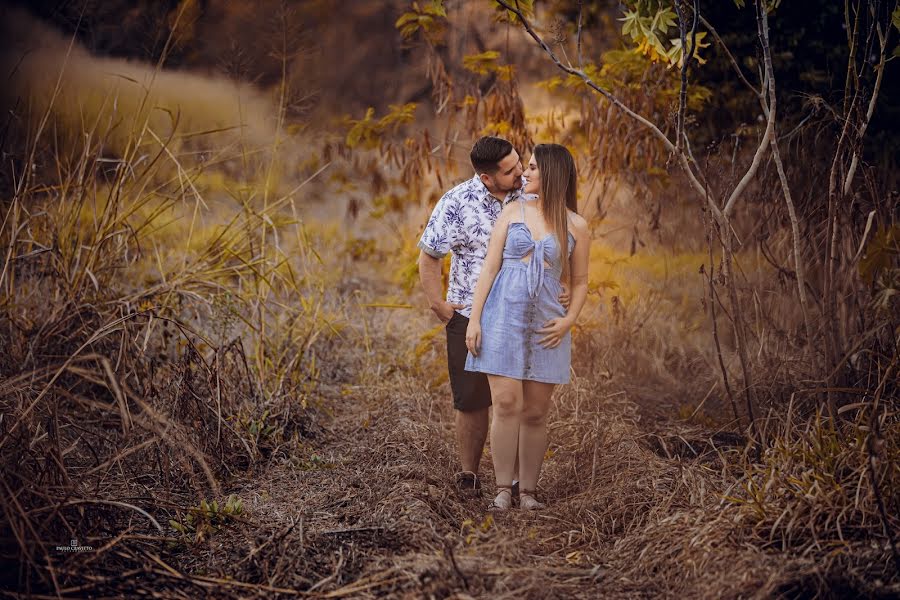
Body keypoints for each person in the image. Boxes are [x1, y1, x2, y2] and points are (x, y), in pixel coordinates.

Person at [417, 136, 569, 496]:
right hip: (471, 312)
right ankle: (469, 475)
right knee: (472, 401)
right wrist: (438, 305)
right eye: (509, 169)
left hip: (523, 315)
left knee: (515, 401)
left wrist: (561, 283)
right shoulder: (456, 203)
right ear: (486, 177)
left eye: (520, 163)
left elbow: (559, 241)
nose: (519, 171)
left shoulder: (531, 195)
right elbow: (429, 255)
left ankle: (516, 482)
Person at [464, 143, 590, 511]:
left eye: (533, 168)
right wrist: (474, 318)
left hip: (548, 323)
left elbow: (580, 281)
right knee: (506, 403)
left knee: (535, 411)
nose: (526, 174)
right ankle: (503, 488)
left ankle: (529, 492)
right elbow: (489, 268)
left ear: (551, 174)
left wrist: (569, 320)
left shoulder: (577, 225)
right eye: (527, 167)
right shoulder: (512, 212)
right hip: (503, 315)